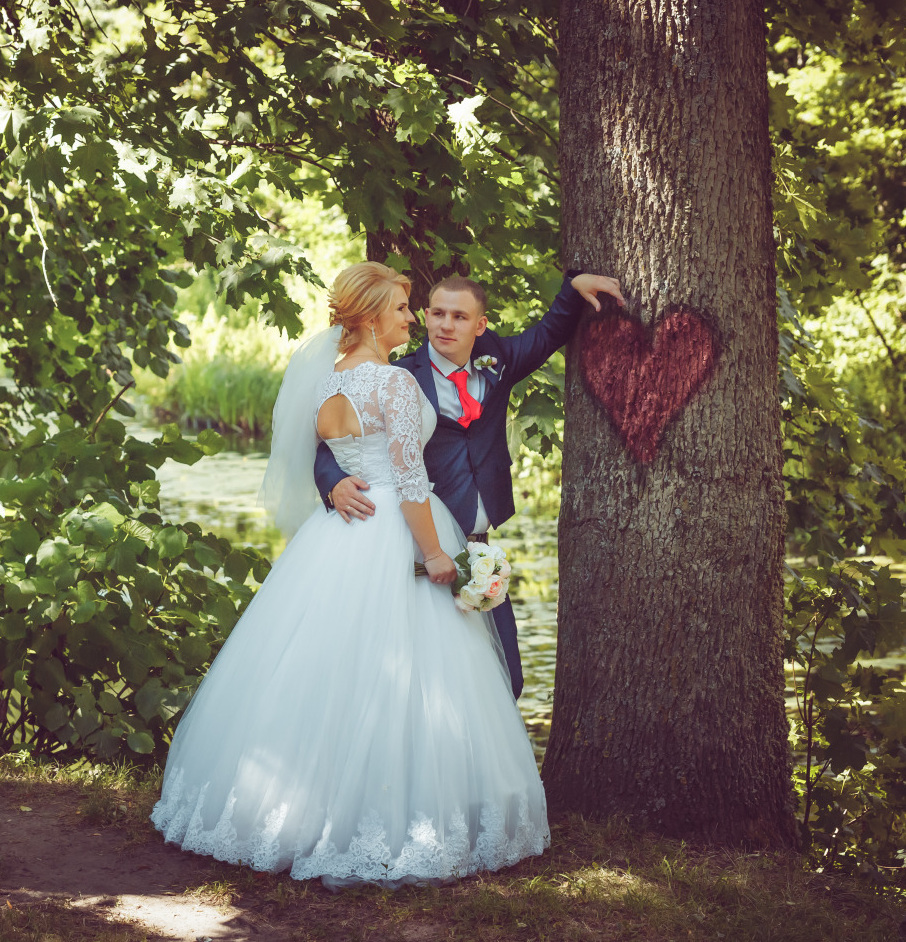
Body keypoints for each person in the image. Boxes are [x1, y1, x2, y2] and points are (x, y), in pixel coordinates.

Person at [151, 263, 552, 889]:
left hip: (337, 540)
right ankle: (396, 819)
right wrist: (437, 556)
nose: (411, 318)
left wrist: (339, 481)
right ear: (369, 316)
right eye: (400, 307)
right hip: (393, 526)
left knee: (322, 672)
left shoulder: (325, 382)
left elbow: (333, 449)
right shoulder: (390, 384)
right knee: (412, 673)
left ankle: (290, 809)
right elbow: (411, 482)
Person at [315, 269, 625, 697]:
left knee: (506, 680)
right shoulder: (398, 374)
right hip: (417, 549)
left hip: (476, 549)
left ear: (480, 325)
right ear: (424, 316)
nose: (445, 324)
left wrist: (572, 288)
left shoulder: (499, 361)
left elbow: (548, 332)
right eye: (436, 313)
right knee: (427, 684)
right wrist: (333, 484)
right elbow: (336, 444)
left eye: (459, 317)